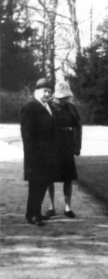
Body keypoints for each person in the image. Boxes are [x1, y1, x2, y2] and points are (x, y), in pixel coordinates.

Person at [20, 78, 57, 226]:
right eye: (44, 91)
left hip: (48, 155)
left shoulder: (49, 107)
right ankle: (32, 215)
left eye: (49, 91)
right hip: (35, 155)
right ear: (36, 92)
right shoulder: (30, 107)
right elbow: (27, 134)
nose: (47, 94)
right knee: (35, 186)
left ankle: (36, 213)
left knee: (43, 184)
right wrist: (34, 155)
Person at [45, 81, 82, 219]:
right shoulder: (46, 107)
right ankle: (51, 206)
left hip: (66, 146)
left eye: (66, 97)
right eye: (62, 98)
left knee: (68, 178)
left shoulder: (71, 108)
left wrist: (77, 145)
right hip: (51, 147)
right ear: (55, 96)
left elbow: (77, 127)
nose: (64, 100)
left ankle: (68, 207)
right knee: (50, 177)